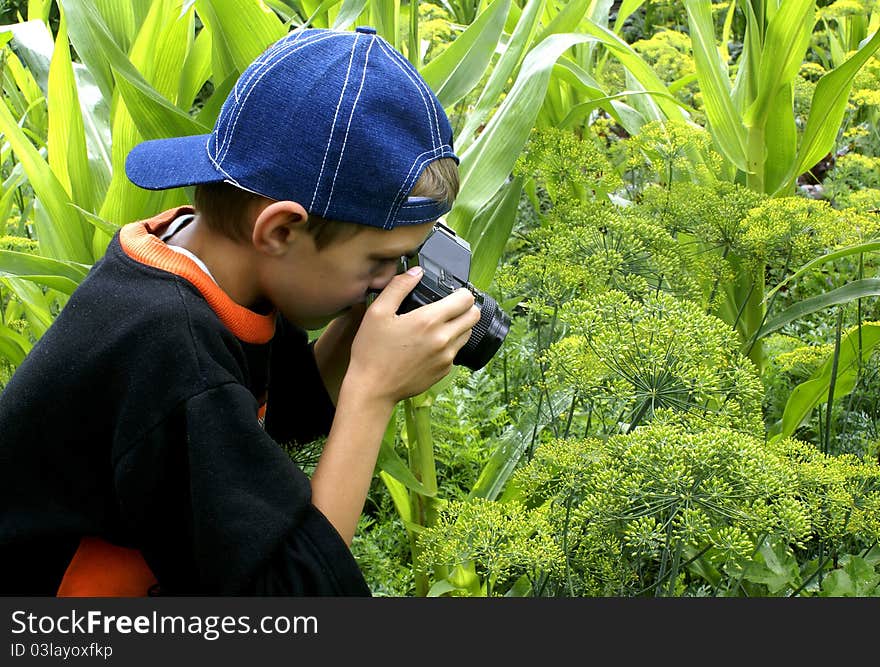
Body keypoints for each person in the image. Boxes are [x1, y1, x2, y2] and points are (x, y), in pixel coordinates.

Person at [0, 25, 480, 596]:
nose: (388, 280)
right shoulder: (167, 347)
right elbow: (290, 605)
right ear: (280, 229)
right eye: (380, 261)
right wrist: (372, 392)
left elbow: (281, 411)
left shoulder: (210, 267)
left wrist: (361, 322)